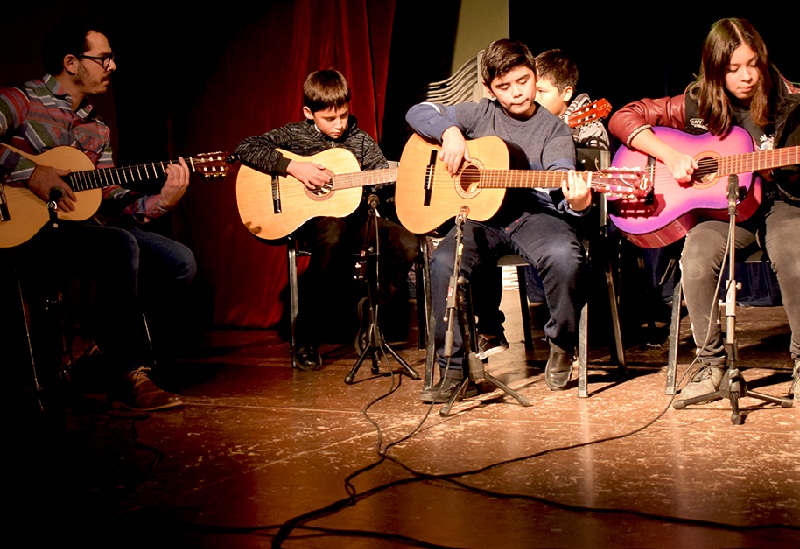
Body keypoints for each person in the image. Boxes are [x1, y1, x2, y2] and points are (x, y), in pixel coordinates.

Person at [1, 17, 196, 411]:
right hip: (24, 229)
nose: (113, 66)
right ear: (71, 62)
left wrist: (163, 201)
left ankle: (101, 346)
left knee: (180, 262)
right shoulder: (20, 100)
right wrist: (32, 172)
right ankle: (129, 372)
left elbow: (108, 193)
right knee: (118, 244)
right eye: (103, 58)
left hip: (82, 228)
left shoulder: (98, 127)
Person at [608, 17, 800, 401]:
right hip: (723, 207)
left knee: (795, 256)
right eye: (733, 69)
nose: (746, 76)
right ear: (715, 70)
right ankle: (712, 365)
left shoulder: (790, 101)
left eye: (752, 64)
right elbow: (622, 117)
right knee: (694, 259)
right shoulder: (695, 101)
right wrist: (671, 155)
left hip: (780, 202)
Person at [406, 38, 593, 402]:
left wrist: (578, 200)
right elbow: (418, 111)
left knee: (565, 256)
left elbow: (560, 171)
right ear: (491, 89)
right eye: (504, 87)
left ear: (534, 76)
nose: (516, 93)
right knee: (444, 262)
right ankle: (455, 370)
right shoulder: (479, 114)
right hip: (480, 218)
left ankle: (561, 344)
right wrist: (449, 131)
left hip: (533, 216)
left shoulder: (553, 128)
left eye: (523, 81)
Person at [233, 69, 420, 371]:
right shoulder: (295, 135)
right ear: (309, 113)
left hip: (356, 217)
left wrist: (392, 183)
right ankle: (307, 335)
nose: (339, 125)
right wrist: (294, 168)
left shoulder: (360, 141)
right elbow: (245, 148)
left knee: (408, 245)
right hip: (312, 221)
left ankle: (372, 318)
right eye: (329, 119)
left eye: (344, 116)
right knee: (332, 232)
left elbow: (381, 182)